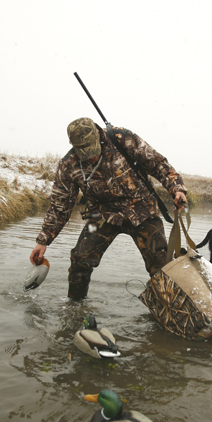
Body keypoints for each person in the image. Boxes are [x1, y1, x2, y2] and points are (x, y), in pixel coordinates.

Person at [30, 117, 188, 300]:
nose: (92, 157)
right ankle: (75, 308)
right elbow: (60, 207)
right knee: (80, 259)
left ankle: (169, 306)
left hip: (141, 208)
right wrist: (43, 241)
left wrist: (176, 189)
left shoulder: (121, 139)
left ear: (98, 135)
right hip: (102, 214)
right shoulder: (68, 165)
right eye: (85, 153)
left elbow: (158, 163)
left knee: (161, 262)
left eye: (93, 150)